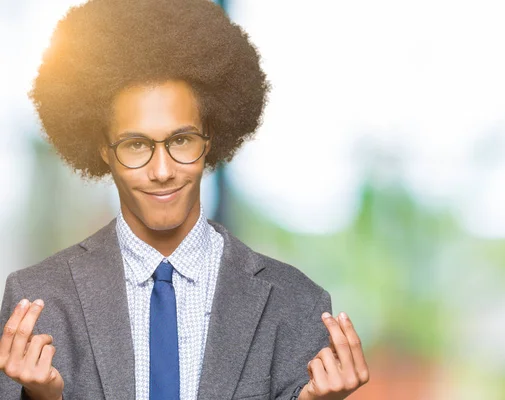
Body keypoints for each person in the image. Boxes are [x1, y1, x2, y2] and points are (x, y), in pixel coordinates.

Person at [0, 0, 370, 399]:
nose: (162, 170)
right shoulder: (38, 299)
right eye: (136, 144)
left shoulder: (295, 304)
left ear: (209, 139)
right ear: (104, 150)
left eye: (181, 140)